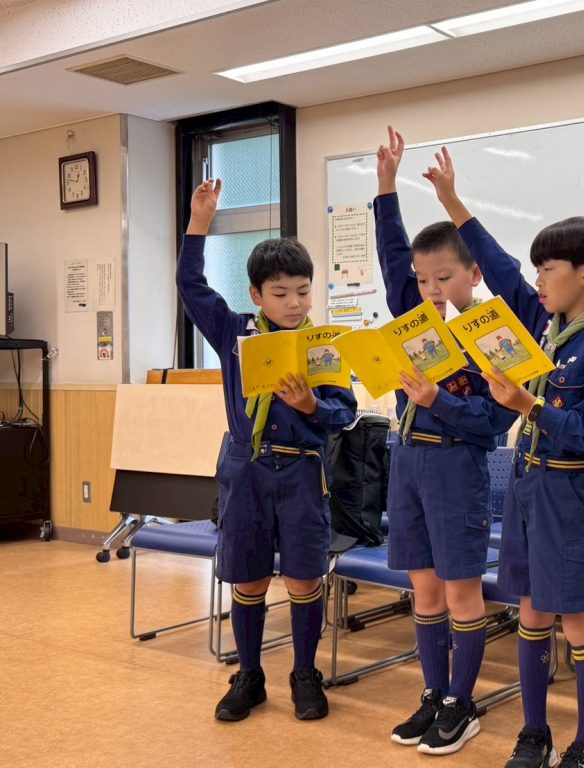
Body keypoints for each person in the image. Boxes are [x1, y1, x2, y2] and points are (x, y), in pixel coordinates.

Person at [425, 146, 584, 768]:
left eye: (550, 269)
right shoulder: (544, 330)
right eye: (537, 270)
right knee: (531, 615)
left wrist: (528, 406)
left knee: (579, 623)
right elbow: (497, 265)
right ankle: (535, 733)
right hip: (527, 487)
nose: (538, 281)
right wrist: (452, 203)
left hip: (569, 493)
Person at [177, 179, 357, 722]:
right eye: (281, 293)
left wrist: (310, 405)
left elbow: (344, 414)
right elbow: (190, 285)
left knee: (304, 577)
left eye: (303, 291)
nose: (295, 303)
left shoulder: (325, 345)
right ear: (256, 295)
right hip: (246, 467)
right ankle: (249, 675)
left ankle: (305, 674)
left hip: (302, 472)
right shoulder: (234, 334)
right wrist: (199, 222)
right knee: (249, 576)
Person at [375, 127, 519, 755]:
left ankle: (463, 702)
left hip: (458, 468)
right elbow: (390, 256)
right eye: (422, 280)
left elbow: (496, 422)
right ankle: (434, 694)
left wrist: (440, 401)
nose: (431, 291)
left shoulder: (493, 332)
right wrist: (386, 186)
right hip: (407, 463)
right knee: (425, 589)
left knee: (461, 591)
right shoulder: (415, 317)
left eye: (443, 278)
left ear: (473, 274)